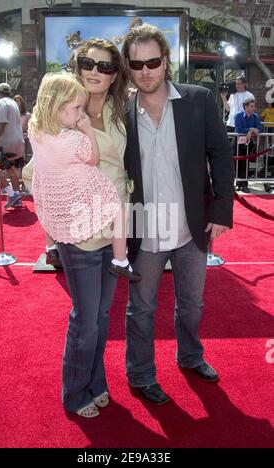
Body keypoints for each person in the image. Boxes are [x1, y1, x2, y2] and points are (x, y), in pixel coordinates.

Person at [122, 23, 235, 405]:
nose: (146, 71)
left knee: (192, 304)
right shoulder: (120, 112)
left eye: (153, 61)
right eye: (136, 64)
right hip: (142, 226)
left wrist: (221, 209)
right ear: (128, 67)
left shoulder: (198, 99)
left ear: (166, 61)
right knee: (141, 309)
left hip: (192, 225)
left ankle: (190, 356)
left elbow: (220, 155)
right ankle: (140, 374)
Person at [29, 38, 131, 417]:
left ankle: (96, 381)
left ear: (114, 73)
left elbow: (123, 165)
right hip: (80, 229)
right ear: (77, 64)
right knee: (86, 320)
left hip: (115, 224)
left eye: (105, 66)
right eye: (89, 63)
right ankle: (75, 392)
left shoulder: (122, 108)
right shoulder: (60, 112)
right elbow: (37, 169)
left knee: (103, 318)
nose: (95, 71)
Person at [0, 83, 25, 208]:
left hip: (5, 142)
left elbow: (1, 124)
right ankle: (16, 196)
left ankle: (12, 195)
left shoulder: (1, 103)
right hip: (18, 142)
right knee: (10, 169)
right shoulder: (14, 103)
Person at [234, 98, 263, 193]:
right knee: (237, 163)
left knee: (246, 163)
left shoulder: (255, 117)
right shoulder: (238, 116)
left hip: (249, 142)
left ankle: (244, 184)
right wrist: (250, 129)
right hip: (238, 142)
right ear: (246, 107)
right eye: (252, 106)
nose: (254, 108)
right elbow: (238, 129)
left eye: (254, 106)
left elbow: (259, 129)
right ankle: (238, 184)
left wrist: (252, 131)